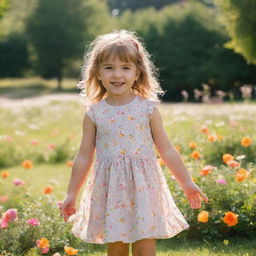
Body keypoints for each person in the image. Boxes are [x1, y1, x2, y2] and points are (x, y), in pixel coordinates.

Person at [61, 29, 208, 256]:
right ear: (97, 73)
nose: (117, 74)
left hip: (144, 187)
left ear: (138, 72)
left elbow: (167, 150)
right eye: (109, 67)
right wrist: (71, 193)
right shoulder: (94, 114)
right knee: (117, 247)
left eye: (125, 68)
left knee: (144, 247)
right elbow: (83, 156)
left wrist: (187, 183)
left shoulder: (147, 109)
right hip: (110, 188)